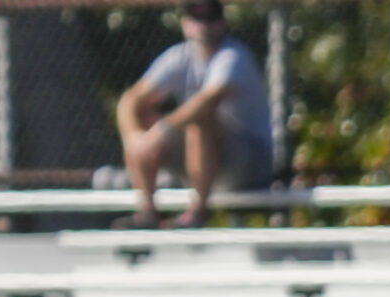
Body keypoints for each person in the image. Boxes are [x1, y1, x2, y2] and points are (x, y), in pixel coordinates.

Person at [114, 0, 274, 230]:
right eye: (196, 19)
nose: (204, 26)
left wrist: (162, 130)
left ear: (223, 23)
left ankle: (197, 213)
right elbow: (130, 100)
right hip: (201, 163)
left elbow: (209, 100)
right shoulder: (179, 56)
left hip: (250, 164)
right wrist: (135, 140)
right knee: (140, 114)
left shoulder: (233, 56)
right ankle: (148, 212)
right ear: (185, 23)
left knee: (200, 118)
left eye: (211, 18)